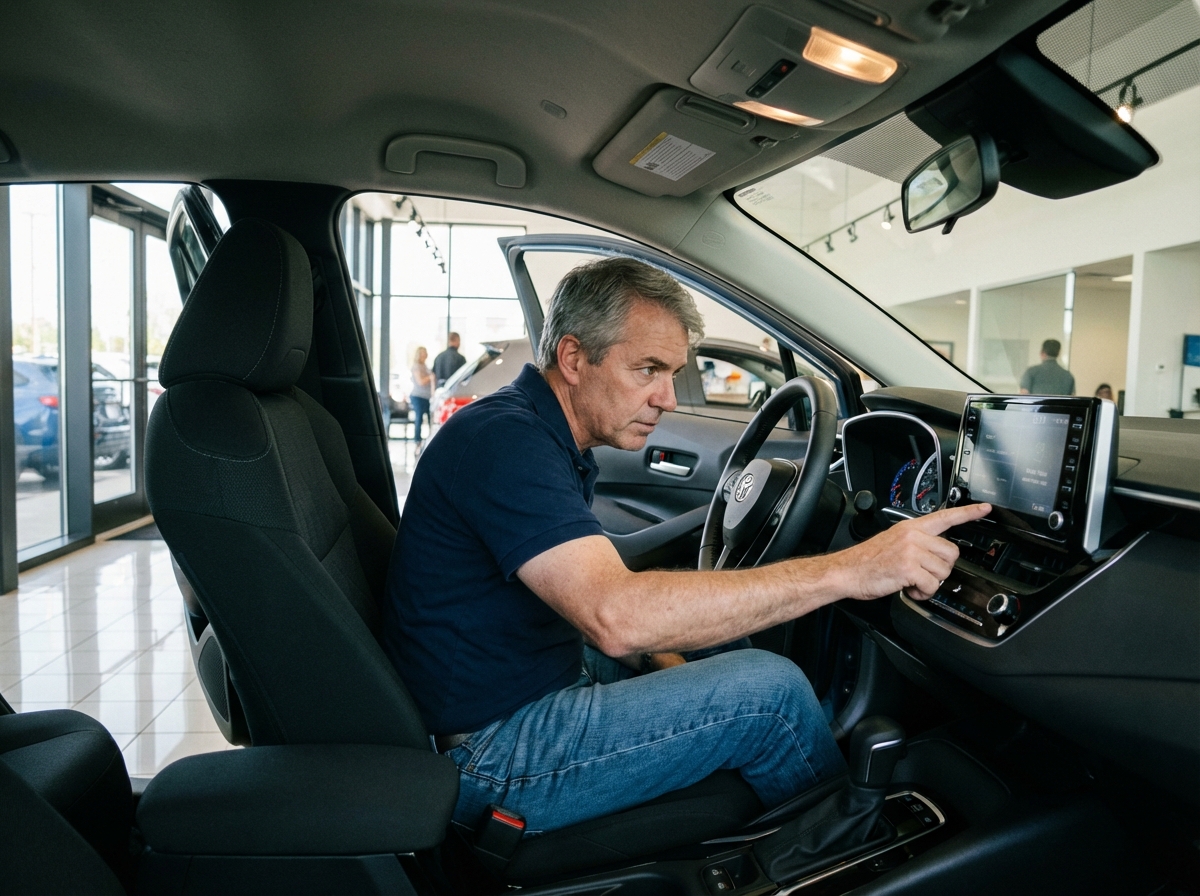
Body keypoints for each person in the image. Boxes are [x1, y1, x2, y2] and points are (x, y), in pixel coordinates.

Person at [381, 258, 989, 836]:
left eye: (672, 374)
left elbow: (587, 599)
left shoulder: (537, 433)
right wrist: (854, 568)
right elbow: (615, 617)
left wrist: (671, 660)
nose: (668, 399)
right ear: (573, 357)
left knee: (722, 644)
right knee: (770, 694)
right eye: (648, 369)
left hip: (515, 685)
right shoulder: (506, 442)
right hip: (493, 752)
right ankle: (850, 853)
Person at [409, 346, 434, 452]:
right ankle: (417, 441)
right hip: (418, 396)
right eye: (422, 353)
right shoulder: (416, 367)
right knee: (419, 418)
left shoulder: (425, 366)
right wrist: (430, 377)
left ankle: (430, 441)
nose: (424, 354)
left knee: (430, 419)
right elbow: (420, 382)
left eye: (425, 352)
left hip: (427, 397)